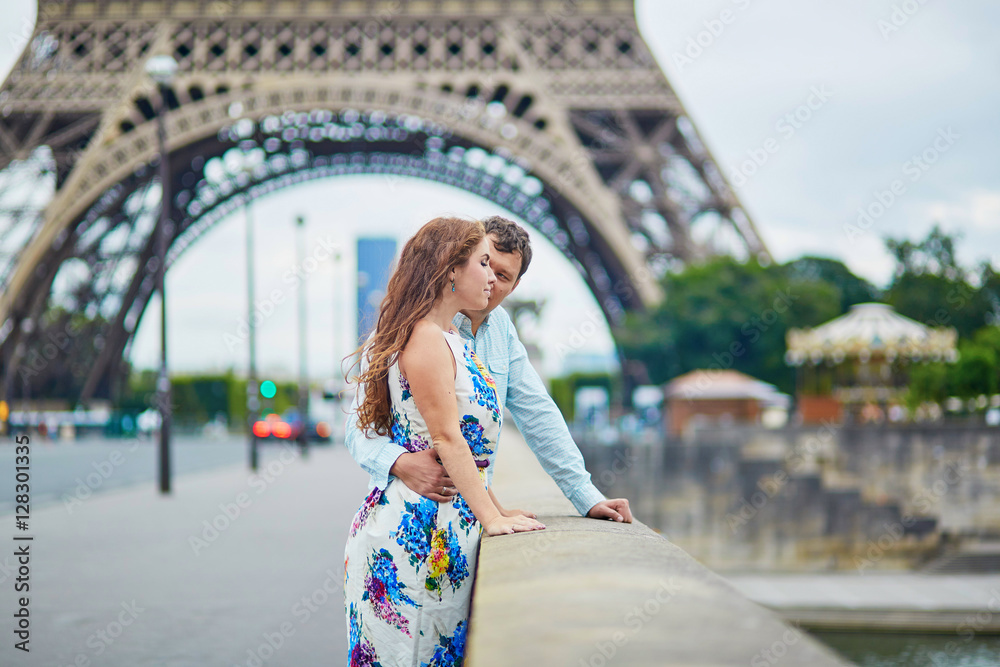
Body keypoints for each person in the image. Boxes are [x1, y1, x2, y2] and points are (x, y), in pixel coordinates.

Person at [344, 217, 546, 666]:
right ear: (451, 270)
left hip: (443, 529)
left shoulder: (450, 337)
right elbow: (448, 439)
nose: (491, 277)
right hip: (418, 534)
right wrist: (492, 519)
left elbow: (470, 449)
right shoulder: (427, 339)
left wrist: (497, 507)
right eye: (483, 263)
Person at [346, 215, 633, 522]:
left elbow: (536, 412)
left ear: (515, 286)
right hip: (413, 514)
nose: (491, 279)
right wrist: (401, 462)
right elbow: (360, 426)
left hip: (464, 519)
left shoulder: (499, 331)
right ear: (456, 265)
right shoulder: (416, 327)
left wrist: (585, 496)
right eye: (485, 263)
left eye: (502, 275)